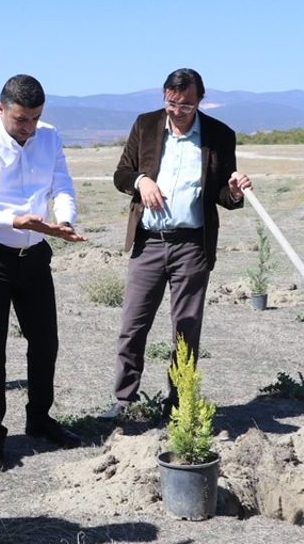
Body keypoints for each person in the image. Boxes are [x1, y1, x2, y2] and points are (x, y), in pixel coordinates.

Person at [102, 68, 251, 419]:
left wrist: (232, 191)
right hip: (149, 242)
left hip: (192, 245)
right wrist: (141, 181)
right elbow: (121, 174)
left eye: (186, 105)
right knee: (133, 325)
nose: (178, 111)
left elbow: (222, 194)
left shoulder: (219, 134)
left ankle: (180, 403)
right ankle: (124, 400)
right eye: (171, 103)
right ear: (163, 96)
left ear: (200, 99)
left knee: (186, 327)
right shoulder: (145, 125)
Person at [0, 74, 86, 472]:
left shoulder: (49, 137)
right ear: (0, 109)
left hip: (35, 254)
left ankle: (39, 418)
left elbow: (61, 184)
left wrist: (63, 220)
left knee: (45, 340)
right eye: (19, 119)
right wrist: (16, 220)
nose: (28, 127)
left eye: (34, 118)